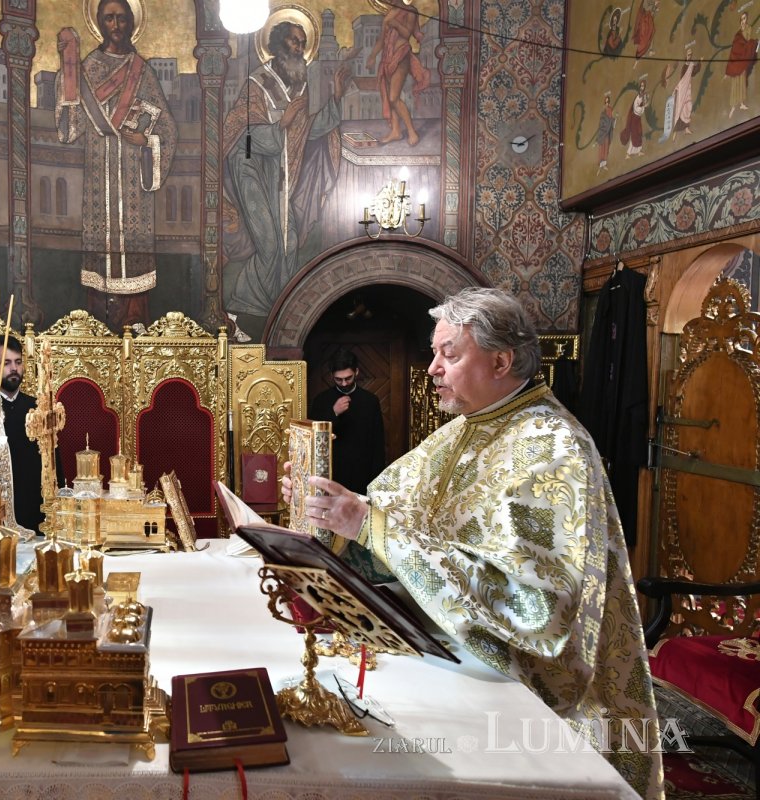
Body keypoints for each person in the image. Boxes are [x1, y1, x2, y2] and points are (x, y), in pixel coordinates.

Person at [284, 288, 663, 800]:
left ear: (501, 361)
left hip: (526, 690)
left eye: (449, 354)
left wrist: (366, 524)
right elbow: (379, 520)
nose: (433, 368)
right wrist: (327, 510)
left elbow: (536, 608)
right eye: (435, 353)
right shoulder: (461, 431)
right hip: (443, 650)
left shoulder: (552, 448)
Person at [55, 0, 175, 330]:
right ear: (99, 22)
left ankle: (135, 321)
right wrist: (66, 80)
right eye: (109, 18)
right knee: (99, 253)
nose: (116, 25)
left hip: (133, 182)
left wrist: (147, 141)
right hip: (97, 175)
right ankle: (97, 324)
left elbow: (166, 127)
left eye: (122, 18)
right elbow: (70, 129)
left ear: (132, 23)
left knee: (133, 252)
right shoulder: (88, 68)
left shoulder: (142, 71)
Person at [223, 18, 345, 322]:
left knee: (289, 242)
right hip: (251, 171)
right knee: (269, 243)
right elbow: (243, 136)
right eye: (294, 41)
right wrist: (282, 125)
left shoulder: (299, 87)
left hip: (282, 176)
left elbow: (309, 131)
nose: (299, 48)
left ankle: (279, 308)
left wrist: (336, 99)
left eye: (303, 43)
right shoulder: (258, 83)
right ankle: (246, 305)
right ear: (278, 45)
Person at [0, 337, 63, 533]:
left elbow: (53, 460)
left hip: (36, 511)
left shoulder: (38, 408)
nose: (14, 368)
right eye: (6, 363)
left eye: (17, 362)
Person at [308, 349, 385, 498]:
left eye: (348, 378)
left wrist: (377, 480)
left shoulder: (370, 401)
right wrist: (334, 413)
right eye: (338, 379)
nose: (344, 383)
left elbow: (378, 443)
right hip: (331, 473)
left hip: (363, 474)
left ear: (356, 372)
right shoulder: (321, 400)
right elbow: (313, 437)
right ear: (331, 375)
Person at [366, 0, 430, 146]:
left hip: (401, 55)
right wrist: (372, 56)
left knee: (394, 97)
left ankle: (412, 132)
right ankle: (396, 131)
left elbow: (408, 33)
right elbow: (381, 40)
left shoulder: (411, 10)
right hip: (387, 59)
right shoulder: (389, 14)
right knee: (389, 98)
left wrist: (394, 23)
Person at [725, 11, 758, 118]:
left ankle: (742, 103)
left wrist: (755, 42)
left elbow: (747, 42)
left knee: (742, 82)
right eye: (742, 19)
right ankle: (733, 107)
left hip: (743, 60)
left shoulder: (748, 29)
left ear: (746, 19)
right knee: (735, 83)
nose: (743, 21)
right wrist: (728, 69)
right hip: (736, 61)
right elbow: (734, 49)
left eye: (745, 19)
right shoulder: (737, 34)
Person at [619, 78, 647, 157]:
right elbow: (636, 108)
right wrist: (643, 106)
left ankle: (639, 151)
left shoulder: (643, 96)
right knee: (634, 135)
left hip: (638, 118)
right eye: (641, 86)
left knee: (639, 133)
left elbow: (642, 109)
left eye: (643, 86)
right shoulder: (638, 97)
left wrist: (644, 105)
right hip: (634, 118)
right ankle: (628, 154)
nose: (642, 87)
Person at [595, 91, 615, 172]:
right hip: (603, 134)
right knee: (602, 149)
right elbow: (602, 124)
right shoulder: (603, 113)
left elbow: (611, 121)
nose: (607, 103)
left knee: (606, 148)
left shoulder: (610, 110)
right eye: (606, 102)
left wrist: (613, 120)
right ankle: (601, 164)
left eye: (608, 102)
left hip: (608, 133)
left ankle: (604, 164)